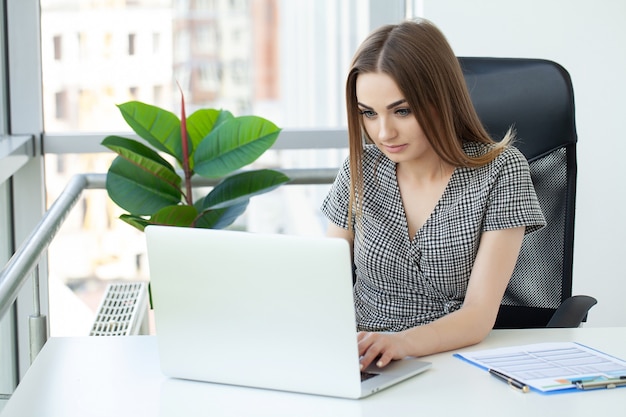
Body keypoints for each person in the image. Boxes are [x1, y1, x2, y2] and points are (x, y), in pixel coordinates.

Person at [320, 18, 546, 371]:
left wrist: (400, 343)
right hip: (360, 359)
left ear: (441, 99)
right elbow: (323, 281)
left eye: (402, 111)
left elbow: (478, 316)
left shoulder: (501, 170)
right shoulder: (361, 167)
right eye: (368, 113)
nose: (384, 132)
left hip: (450, 360)